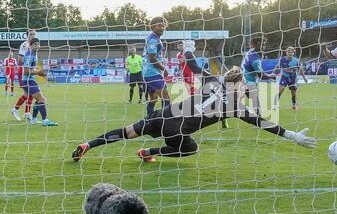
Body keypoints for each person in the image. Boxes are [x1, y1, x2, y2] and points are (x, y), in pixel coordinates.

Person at [71, 66, 317, 163]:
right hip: (175, 130)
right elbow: (264, 124)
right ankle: (148, 152)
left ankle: (88, 144)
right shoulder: (234, 105)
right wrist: (293, 136)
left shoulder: (212, 82)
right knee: (190, 149)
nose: (245, 89)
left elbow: (194, 64)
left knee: (127, 132)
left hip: (163, 114)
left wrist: (187, 50)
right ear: (237, 84)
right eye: (243, 85)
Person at [21, 38, 58, 126]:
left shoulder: (35, 54)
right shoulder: (29, 55)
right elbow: (25, 71)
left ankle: (33, 119)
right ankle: (45, 120)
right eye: (35, 44)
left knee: (40, 99)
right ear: (30, 46)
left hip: (30, 80)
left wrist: (40, 72)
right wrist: (38, 72)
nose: (37, 46)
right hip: (28, 81)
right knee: (41, 99)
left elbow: (32, 69)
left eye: (38, 44)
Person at [142, 17, 171, 118]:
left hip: (148, 72)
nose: (162, 28)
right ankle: (166, 120)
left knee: (153, 99)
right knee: (166, 97)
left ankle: (148, 119)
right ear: (153, 27)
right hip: (152, 72)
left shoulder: (153, 37)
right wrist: (164, 69)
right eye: (159, 26)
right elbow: (152, 58)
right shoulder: (153, 39)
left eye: (163, 26)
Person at [241, 36, 276, 115]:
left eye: (264, 44)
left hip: (241, 79)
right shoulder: (255, 60)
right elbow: (262, 76)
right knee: (255, 102)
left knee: (232, 101)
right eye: (261, 44)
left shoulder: (250, 51)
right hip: (248, 82)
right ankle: (258, 120)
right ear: (255, 45)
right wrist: (272, 76)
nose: (263, 47)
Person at [11, 29, 36, 121]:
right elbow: (20, 59)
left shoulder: (35, 46)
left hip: (30, 71)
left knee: (30, 93)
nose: (32, 36)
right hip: (24, 71)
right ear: (27, 35)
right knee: (28, 93)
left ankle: (26, 112)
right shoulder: (24, 45)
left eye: (33, 34)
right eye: (31, 34)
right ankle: (16, 109)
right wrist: (27, 68)